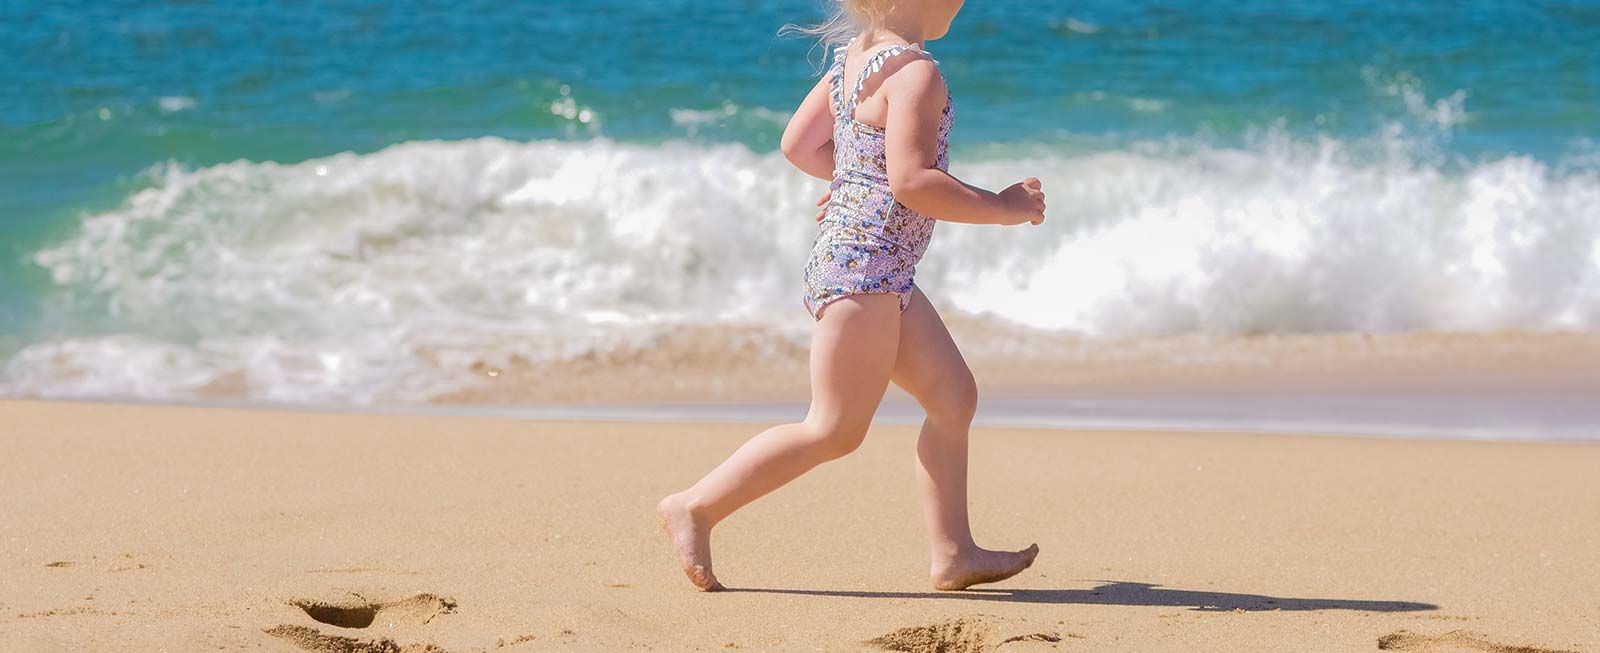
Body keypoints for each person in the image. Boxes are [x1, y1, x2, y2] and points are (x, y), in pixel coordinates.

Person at [658, 0, 1046, 592]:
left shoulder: (853, 61)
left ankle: (953, 553)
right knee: (833, 429)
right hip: (864, 274)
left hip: (873, 271)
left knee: (952, 397)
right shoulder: (918, 73)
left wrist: (854, 184)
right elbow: (913, 181)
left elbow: (800, 146)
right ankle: (695, 506)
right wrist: (1003, 207)